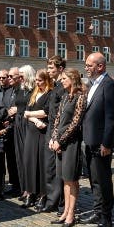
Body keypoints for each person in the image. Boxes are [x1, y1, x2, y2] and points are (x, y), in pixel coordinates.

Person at [80, 52, 114, 227]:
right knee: (94, 180)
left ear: (100, 66)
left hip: (100, 142)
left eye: (89, 65)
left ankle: (106, 217)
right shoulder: (93, 85)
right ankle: (97, 212)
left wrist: (107, 143)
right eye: (86, 65)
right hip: (89, 140)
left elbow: (111, 117)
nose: (86, 68)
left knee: (103, 180)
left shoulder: (109, 85)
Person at [49, 68, 86, 227]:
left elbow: (75, 123)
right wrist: (53, 138)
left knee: (71, 179)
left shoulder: (80, 97)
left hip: (71, 143)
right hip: (60, 143)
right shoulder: (64, 97)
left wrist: (61, 140)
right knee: (64, 178)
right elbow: (58, 120)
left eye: (64, 78)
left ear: (72, 79)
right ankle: (65, 211)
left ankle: (71, 213)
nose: (61, 80)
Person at [21, 69, 53, 208]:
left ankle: (42, 194)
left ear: (46, 80)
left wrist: (30, 115)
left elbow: (46, 112)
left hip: (43, 132)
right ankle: (30, 192)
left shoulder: (49, 94)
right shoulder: (34, 93)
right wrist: (34, 119)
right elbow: (25, 113)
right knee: (29, 162)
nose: (37, 83)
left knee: (41, 163)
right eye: (36, 81)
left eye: (40, 80)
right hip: (32, 130)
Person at [40, 55, 66, 213]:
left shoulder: (63, 87)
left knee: (56, 169)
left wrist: (56, 135)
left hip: (57, 131)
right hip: (50, 129)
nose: (48, 71)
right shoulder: (55, 86)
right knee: (49, 168)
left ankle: (56, 201)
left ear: (60, 69)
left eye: (51, 68)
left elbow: (62, 113)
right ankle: (52, 199)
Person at [11, 65, 35, 201]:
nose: (19, 78)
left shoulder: (33, 90)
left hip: (28, 123)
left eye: (21, 76)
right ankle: (24, 188)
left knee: (28, 157)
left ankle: (31, 189)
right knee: (20, 157)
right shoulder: (20, 89)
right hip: (18, 123)